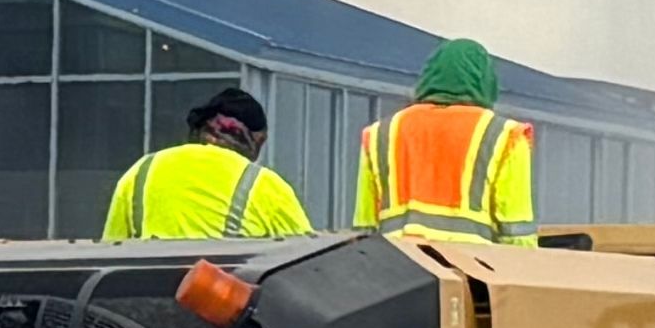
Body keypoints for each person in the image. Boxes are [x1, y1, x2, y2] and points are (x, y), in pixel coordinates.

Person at [355, 38, 538, 239]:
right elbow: (517, 231)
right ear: (487, 81)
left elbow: (364, 227)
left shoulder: (380, 133)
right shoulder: (505, 136)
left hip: (397, 265)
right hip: (471, 266)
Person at [98, 80, 311, 244]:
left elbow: (110, 250)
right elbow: (307, 262)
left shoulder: (141, 171)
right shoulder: (266, 186)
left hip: (146, 299)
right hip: (223, 300)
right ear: (256, 140)